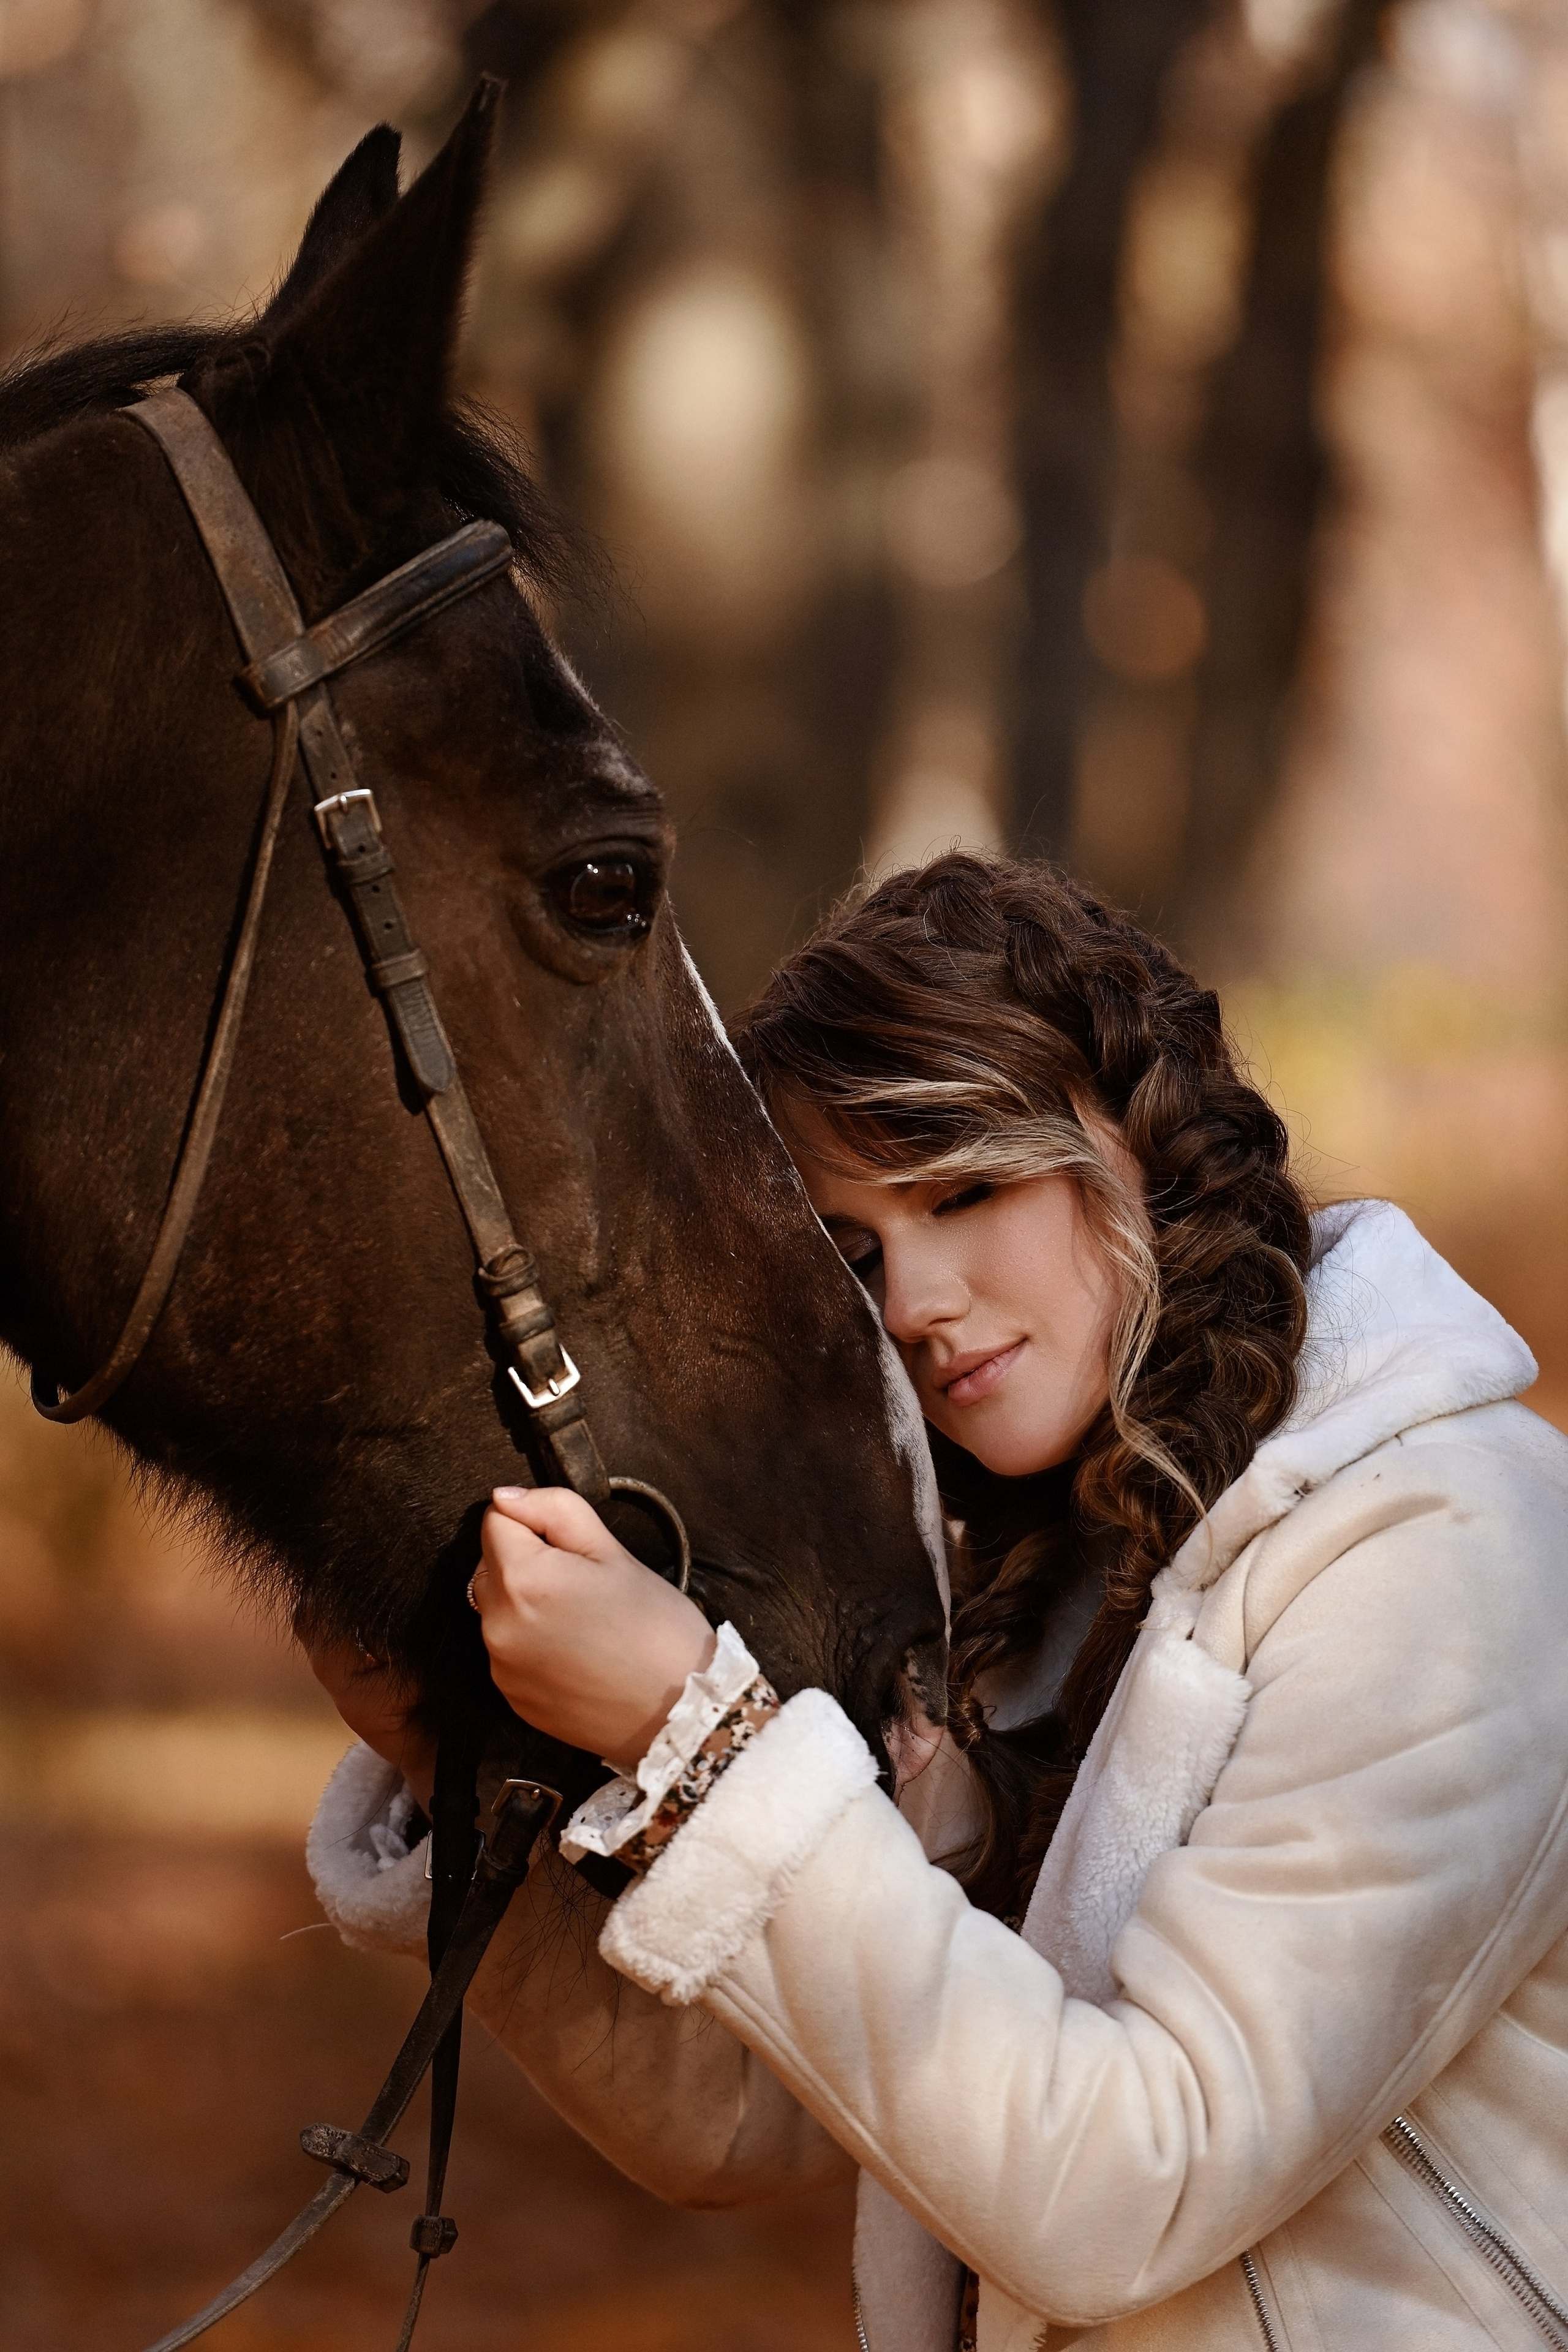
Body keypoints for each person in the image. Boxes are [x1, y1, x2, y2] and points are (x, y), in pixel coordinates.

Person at [309, 854, 1568, 2352]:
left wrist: (696, 1744)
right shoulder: (1055, 1578)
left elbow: (1123, 2187)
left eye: (962, 1190)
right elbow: (774, 2114)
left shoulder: (1441, 1548)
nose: (910, 1302)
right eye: (856, 1255)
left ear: (1144, 1138)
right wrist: (463, 1760)